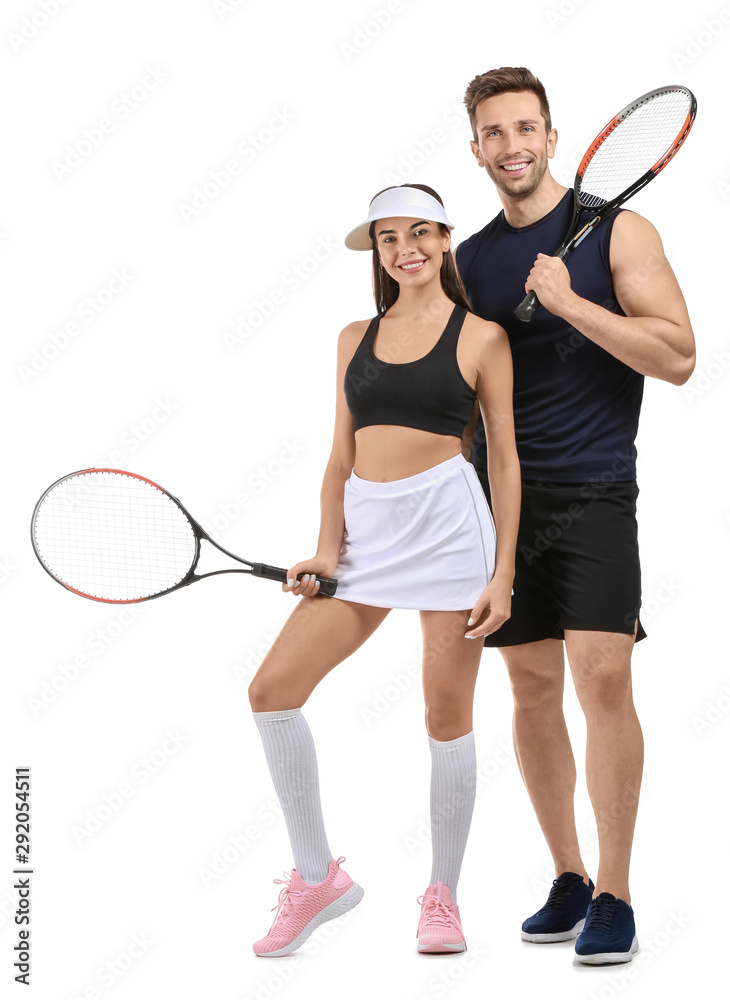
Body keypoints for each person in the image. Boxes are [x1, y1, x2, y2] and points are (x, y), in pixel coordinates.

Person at [455, 67, 695, 965]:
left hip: (595, 490)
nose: (512, 145)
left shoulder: (621, 231)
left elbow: (678, 357)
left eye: (525, 128)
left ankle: (616, 892)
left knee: (602, 679)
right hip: (502, 505)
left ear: (552, 138)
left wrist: (569, 303)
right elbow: (460, 394)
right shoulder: (467, 261)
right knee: (529, 688)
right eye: (494, 132)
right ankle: (568, 876)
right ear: (476, 150)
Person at [247, 182, 520, 957]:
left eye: (420, 232)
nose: (406, 249)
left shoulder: (482, 337)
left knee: (444, 714)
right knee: (271, 692)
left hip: (449, 531)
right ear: (378, 252)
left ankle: (443, 896)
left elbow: (504, 461)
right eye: (390, 237)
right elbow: (339, 456)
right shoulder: (352, 337)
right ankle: (317, 880)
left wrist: (502, 572)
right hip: (366, 535)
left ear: (445, 239)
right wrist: (325, 548)